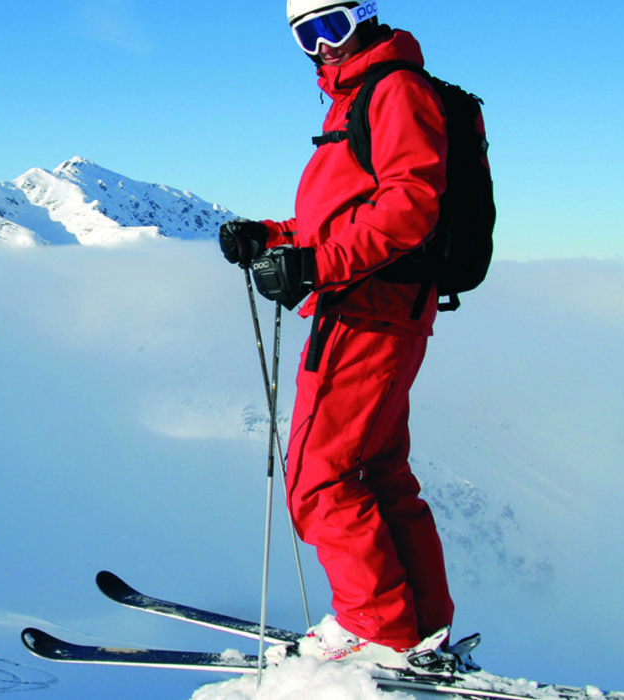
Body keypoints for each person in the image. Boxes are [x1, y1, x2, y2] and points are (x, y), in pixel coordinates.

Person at [219, 0, 462, 669]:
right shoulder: (358, 100)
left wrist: (316, 266)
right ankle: (420, 625)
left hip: (366, 309)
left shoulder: (392, 91)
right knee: (378, 471)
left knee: (319, 480)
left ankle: (376, 628)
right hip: (375, 303)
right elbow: (343, 219)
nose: (324, 45)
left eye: (336, 26)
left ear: (368, 16)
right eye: (307, 34)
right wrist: (273, 240)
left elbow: (410, 206)